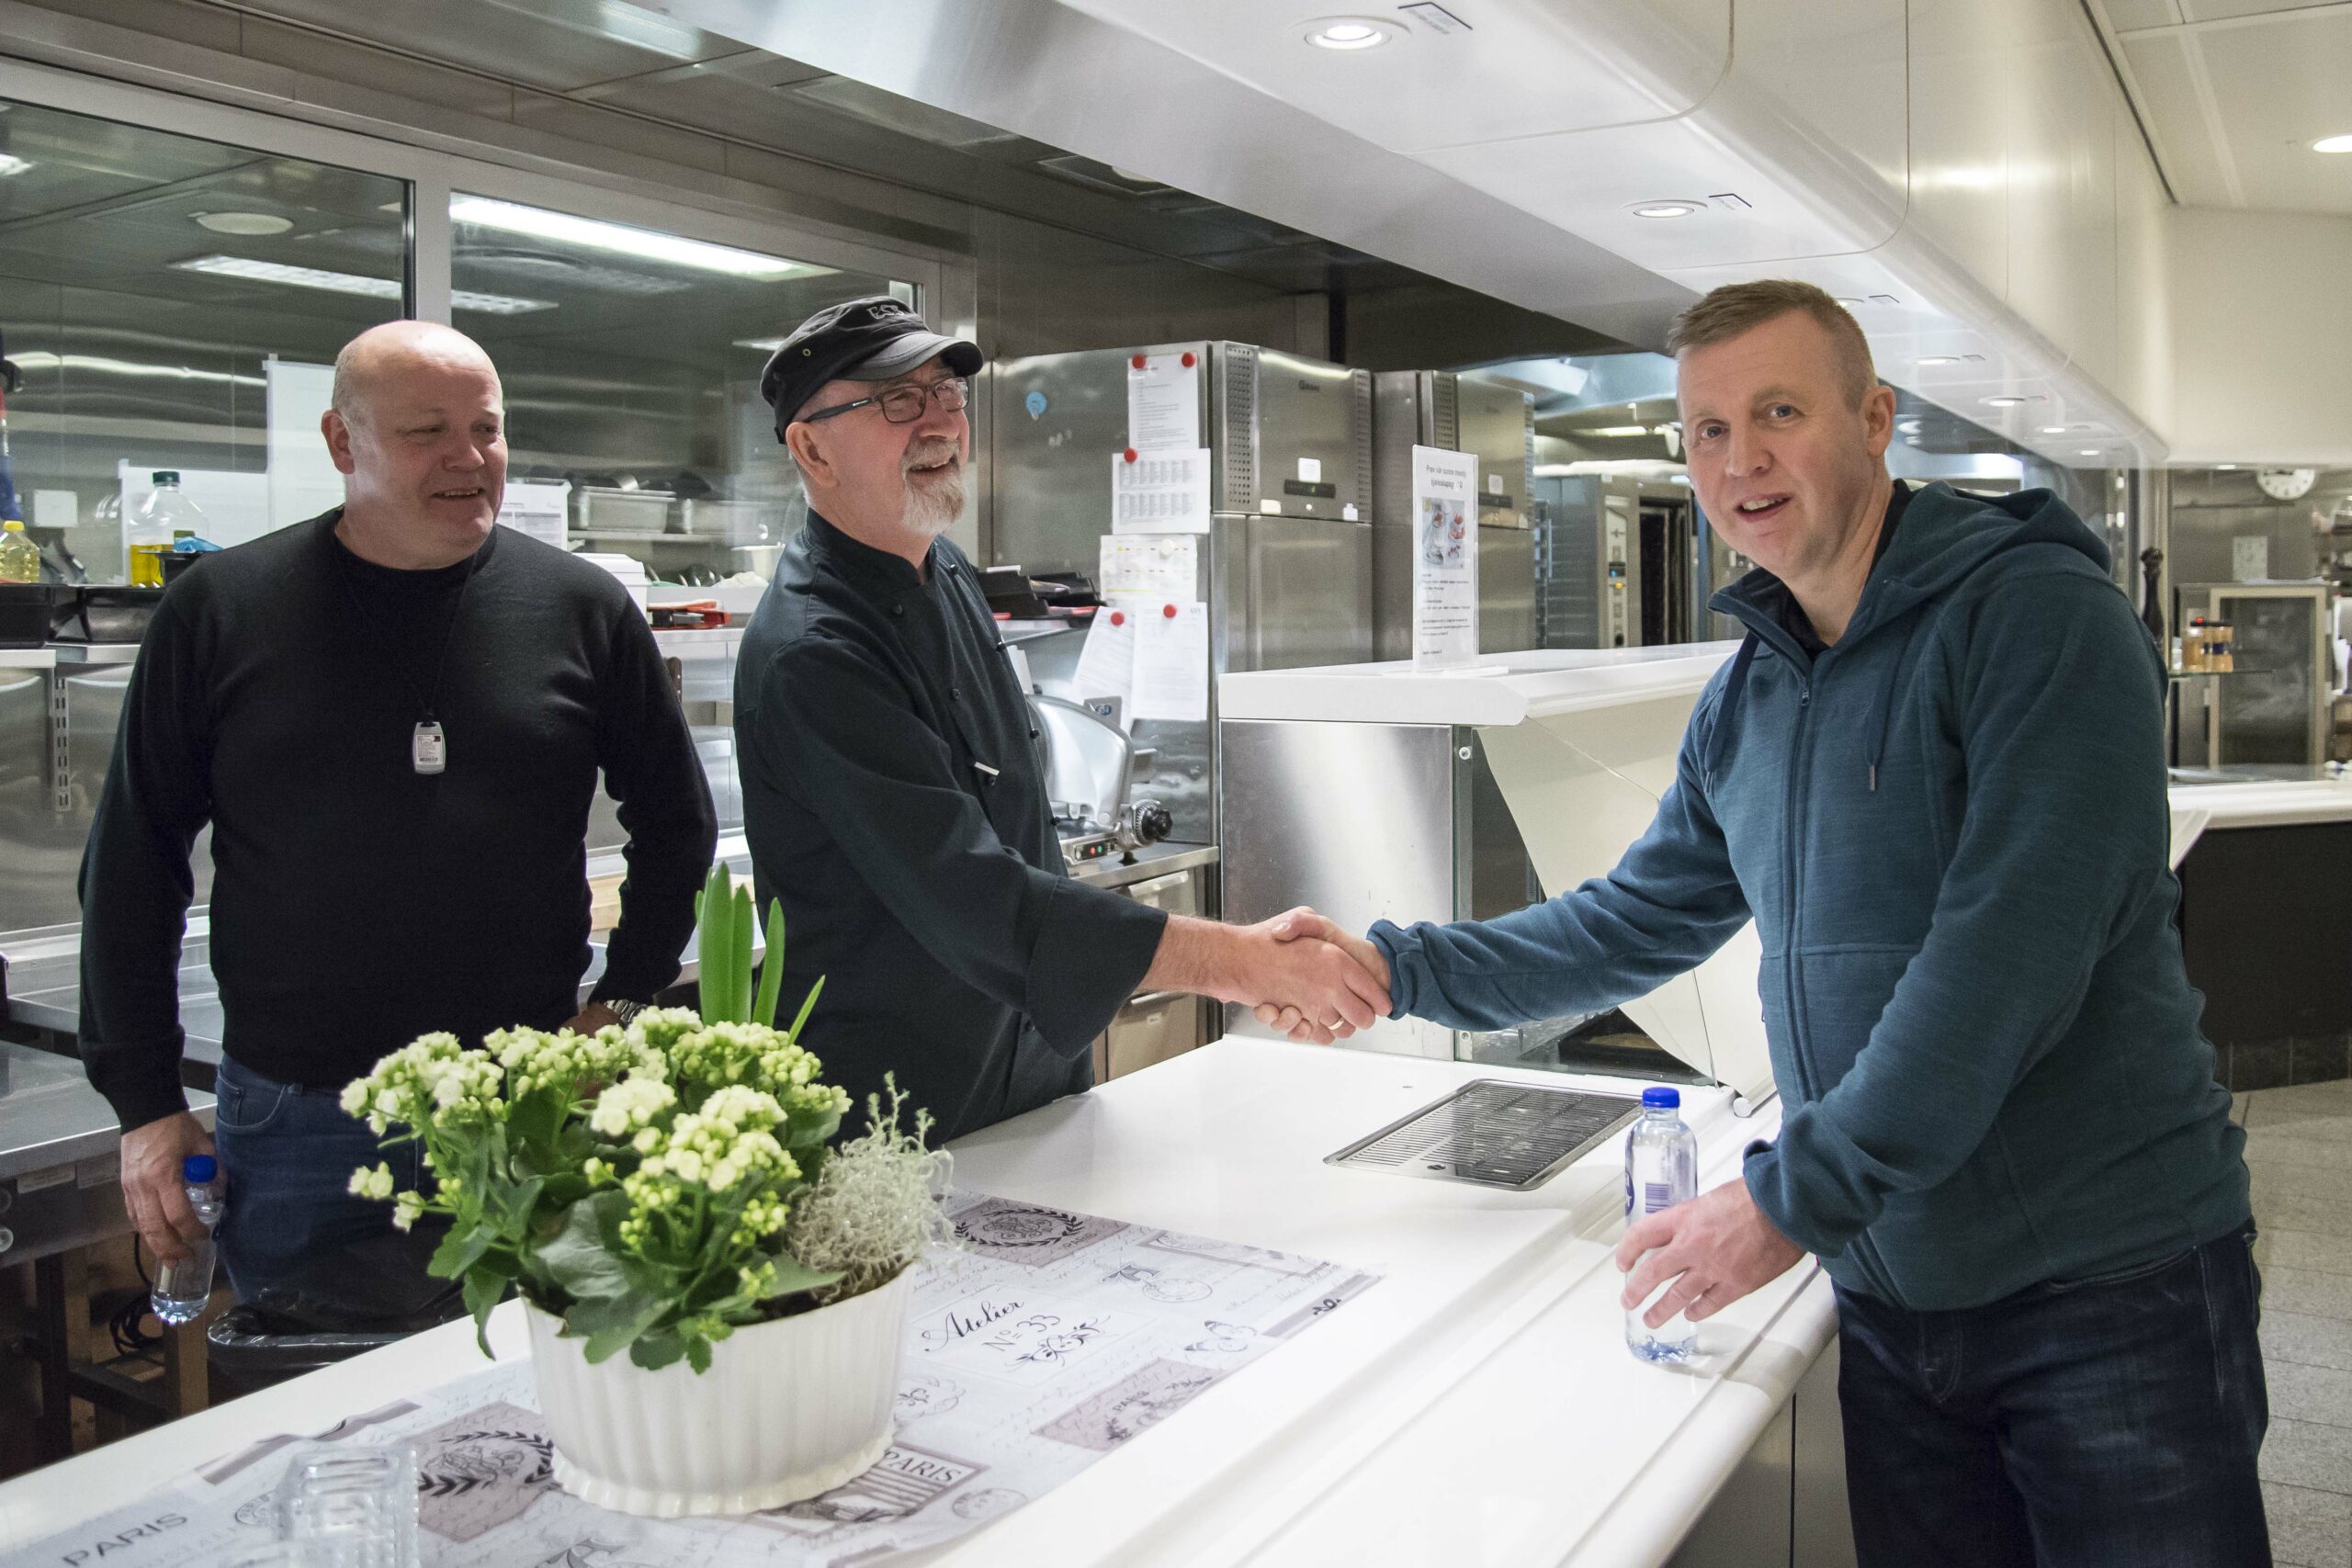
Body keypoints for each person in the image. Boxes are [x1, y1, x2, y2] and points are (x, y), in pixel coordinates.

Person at [1263, 280, 2265, 1565]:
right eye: (1708, 430)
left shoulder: (2037, 620)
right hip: (1897, 1297)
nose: (1741, 459)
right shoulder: (1755, 691)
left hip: (2109, 1288)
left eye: (1778, 411)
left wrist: (1790, 1198)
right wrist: (1397, 966)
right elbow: (1628, 921)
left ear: (1875, 420)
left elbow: (2000, 965)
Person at [81, 321, 718, 1303]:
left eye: (487, 430)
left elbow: (676, 824)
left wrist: (624, 1004)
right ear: (344, 444)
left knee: (549, 1413)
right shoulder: (221, 611)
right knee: (322, 1426)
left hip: (531, 1107)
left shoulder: (582, 608)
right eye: (428, 432)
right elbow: (133, 863)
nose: (469, 460)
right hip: (302, 1126)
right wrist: (146, 1105)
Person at [734, 297, 1387, 1145]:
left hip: (1036, 1080)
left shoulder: (950, 574)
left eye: (947, 393)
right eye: (897, 400)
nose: (938, 422)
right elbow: (974, 896)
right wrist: (1243, 962)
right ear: (811, 446)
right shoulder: (813, 653)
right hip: (903, 1116)